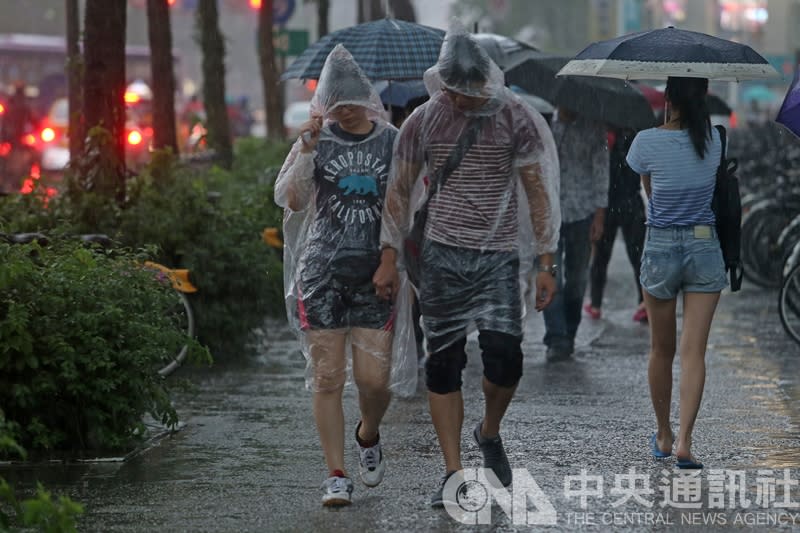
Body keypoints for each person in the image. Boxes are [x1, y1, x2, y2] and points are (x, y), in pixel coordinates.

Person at [373, 21, 560, 507]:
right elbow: (398, 190)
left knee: (505, 357)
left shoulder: (514, 118)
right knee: (444, 364)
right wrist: (388, 256)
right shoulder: (423, 121)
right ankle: (453, 472)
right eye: (452, 91)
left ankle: (489, 431)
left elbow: (538, 192)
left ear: (485, 81)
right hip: (440, 256)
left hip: (498, 257)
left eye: (467, 91)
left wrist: (546, 259)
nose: (460, 100)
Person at [273, 44, 415, 506]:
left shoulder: (392, 140)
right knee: (327, 377)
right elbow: (291, 200)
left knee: (376, 381)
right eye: (337, 102)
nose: (346, 109)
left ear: (368, 99)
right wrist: (307, 150)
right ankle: (335, 473)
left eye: (353, 100)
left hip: (376, 273)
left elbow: (403, 203)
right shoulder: (316, 140)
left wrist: (390, 258)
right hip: (321, 274)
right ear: (325, 104)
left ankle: (368, 433)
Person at [626, 76, 727, 469]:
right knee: (693, 353)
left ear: (668, 98)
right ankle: (686, 440)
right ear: (702, 96)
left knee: (660, 350)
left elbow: (651, 194)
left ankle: (664, 433)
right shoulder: (714, 140)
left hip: (661, 246)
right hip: (705, 246)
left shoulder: (645, 141)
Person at [542, 106, 609, 362]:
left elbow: (602, 171)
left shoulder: (594, 128)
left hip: (583, 214)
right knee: (551, 276)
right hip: (550, 214)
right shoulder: (545, 126)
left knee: (578, 279)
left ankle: (569, 331)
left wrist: (600, 215)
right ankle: (555, 337)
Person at [584, 127, 648, 323]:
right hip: (632, 204)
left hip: (607, 206)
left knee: (601, 257)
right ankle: (643, 302)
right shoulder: (637, 137)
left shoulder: (604, 137)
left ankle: (595, 304)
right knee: (637, 258)